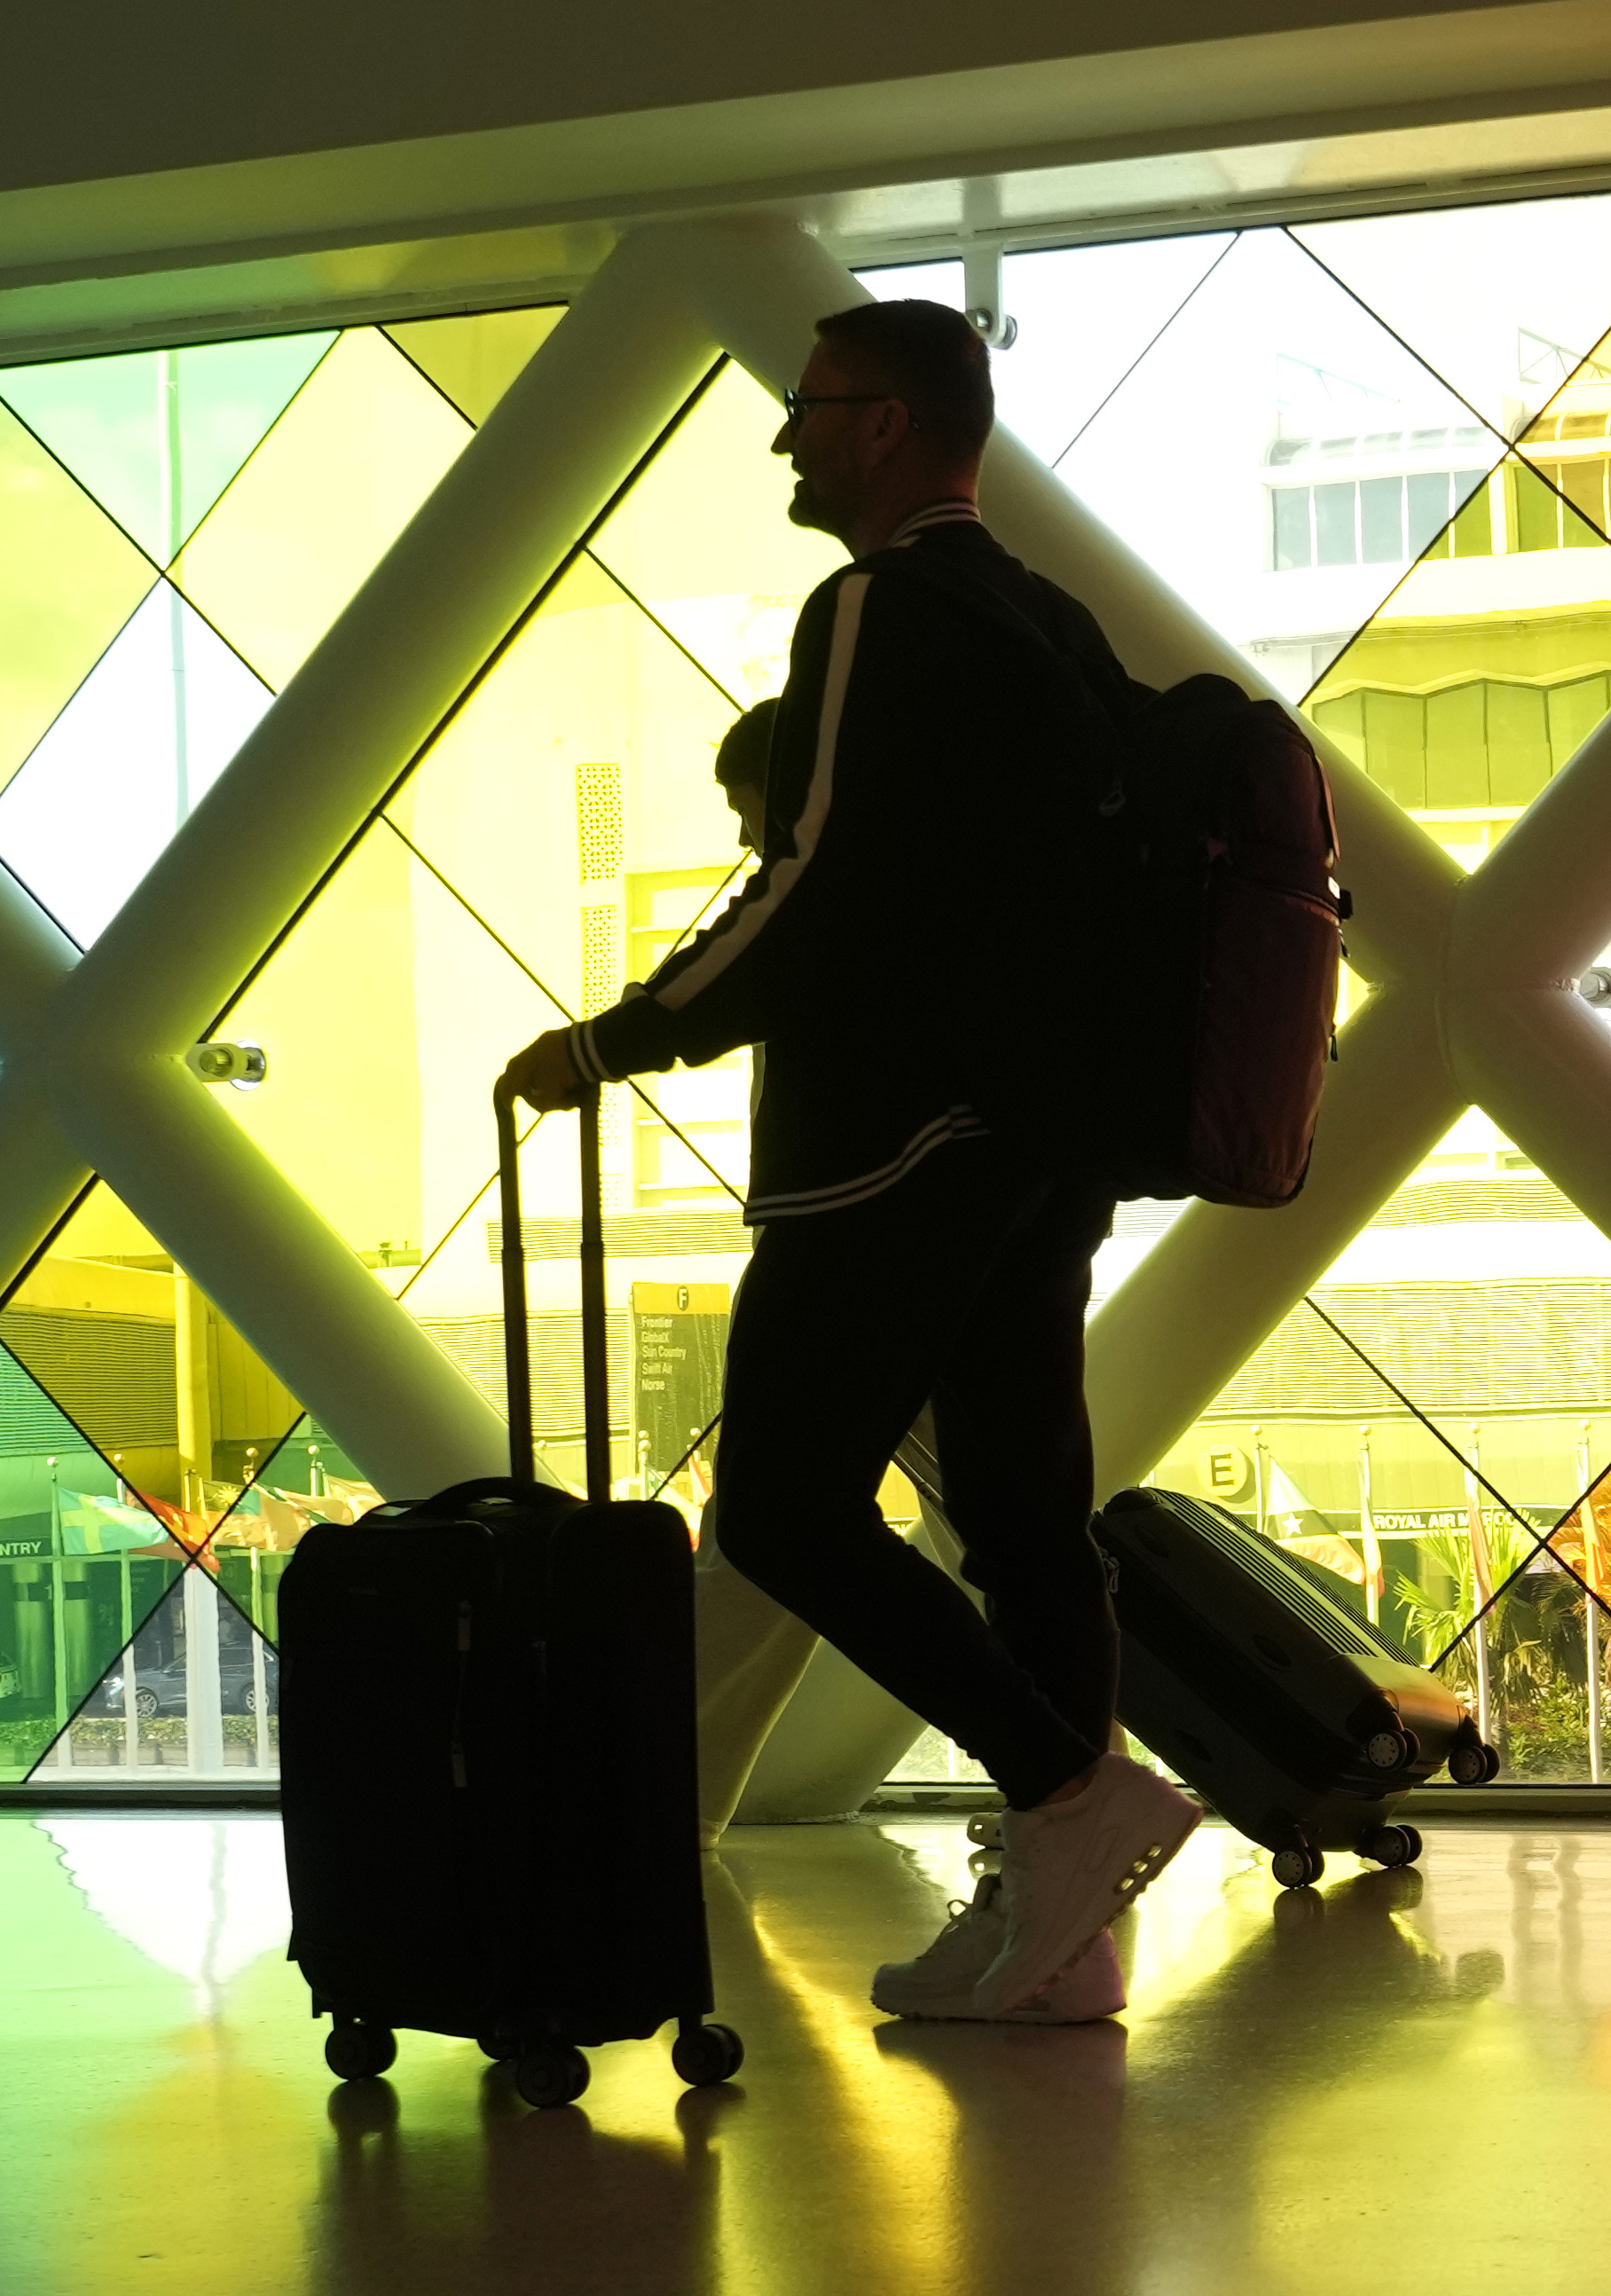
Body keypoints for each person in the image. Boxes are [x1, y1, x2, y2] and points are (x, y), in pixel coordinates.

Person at [503, 295, 1200, 2024]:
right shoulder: (1050, 623)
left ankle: (1064, 1787)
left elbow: (812, 881)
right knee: (1031, 1529)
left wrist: (619, 1037)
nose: (786, 438)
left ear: (886, 424)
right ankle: (1062, 1941)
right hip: (1042, 1153)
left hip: (886, 1155)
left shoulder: (880, 607)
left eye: (808, 410)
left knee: (791, 1508)